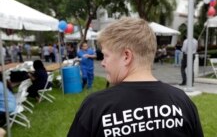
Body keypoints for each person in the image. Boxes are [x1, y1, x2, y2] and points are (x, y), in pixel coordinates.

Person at [67, 17, 203, 137]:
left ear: (126, 56)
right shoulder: (182, 102)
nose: (102, 63)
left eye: (106, 55)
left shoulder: (95, 107)